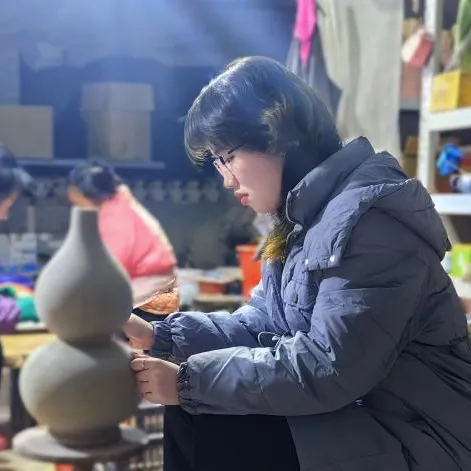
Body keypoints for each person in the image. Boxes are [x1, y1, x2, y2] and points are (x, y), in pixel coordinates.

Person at [124, 56, 471, 471]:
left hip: (422, 436)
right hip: (363, 415)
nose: (226, 179)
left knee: (206, 417)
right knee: (196, 411)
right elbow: (261, 324)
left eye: (226, 157)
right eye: (216, 162)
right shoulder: (304, 222)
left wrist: (187, 382)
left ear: (275, 135)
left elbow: (328, 366)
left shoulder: (370, 224)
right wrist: (157, 336)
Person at [67, 161, 178, 318]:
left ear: (81, 193)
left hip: (147, 298)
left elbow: (110, 274)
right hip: (148, 288)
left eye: (73, 193)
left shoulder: (116, 220)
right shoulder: (117, 201)